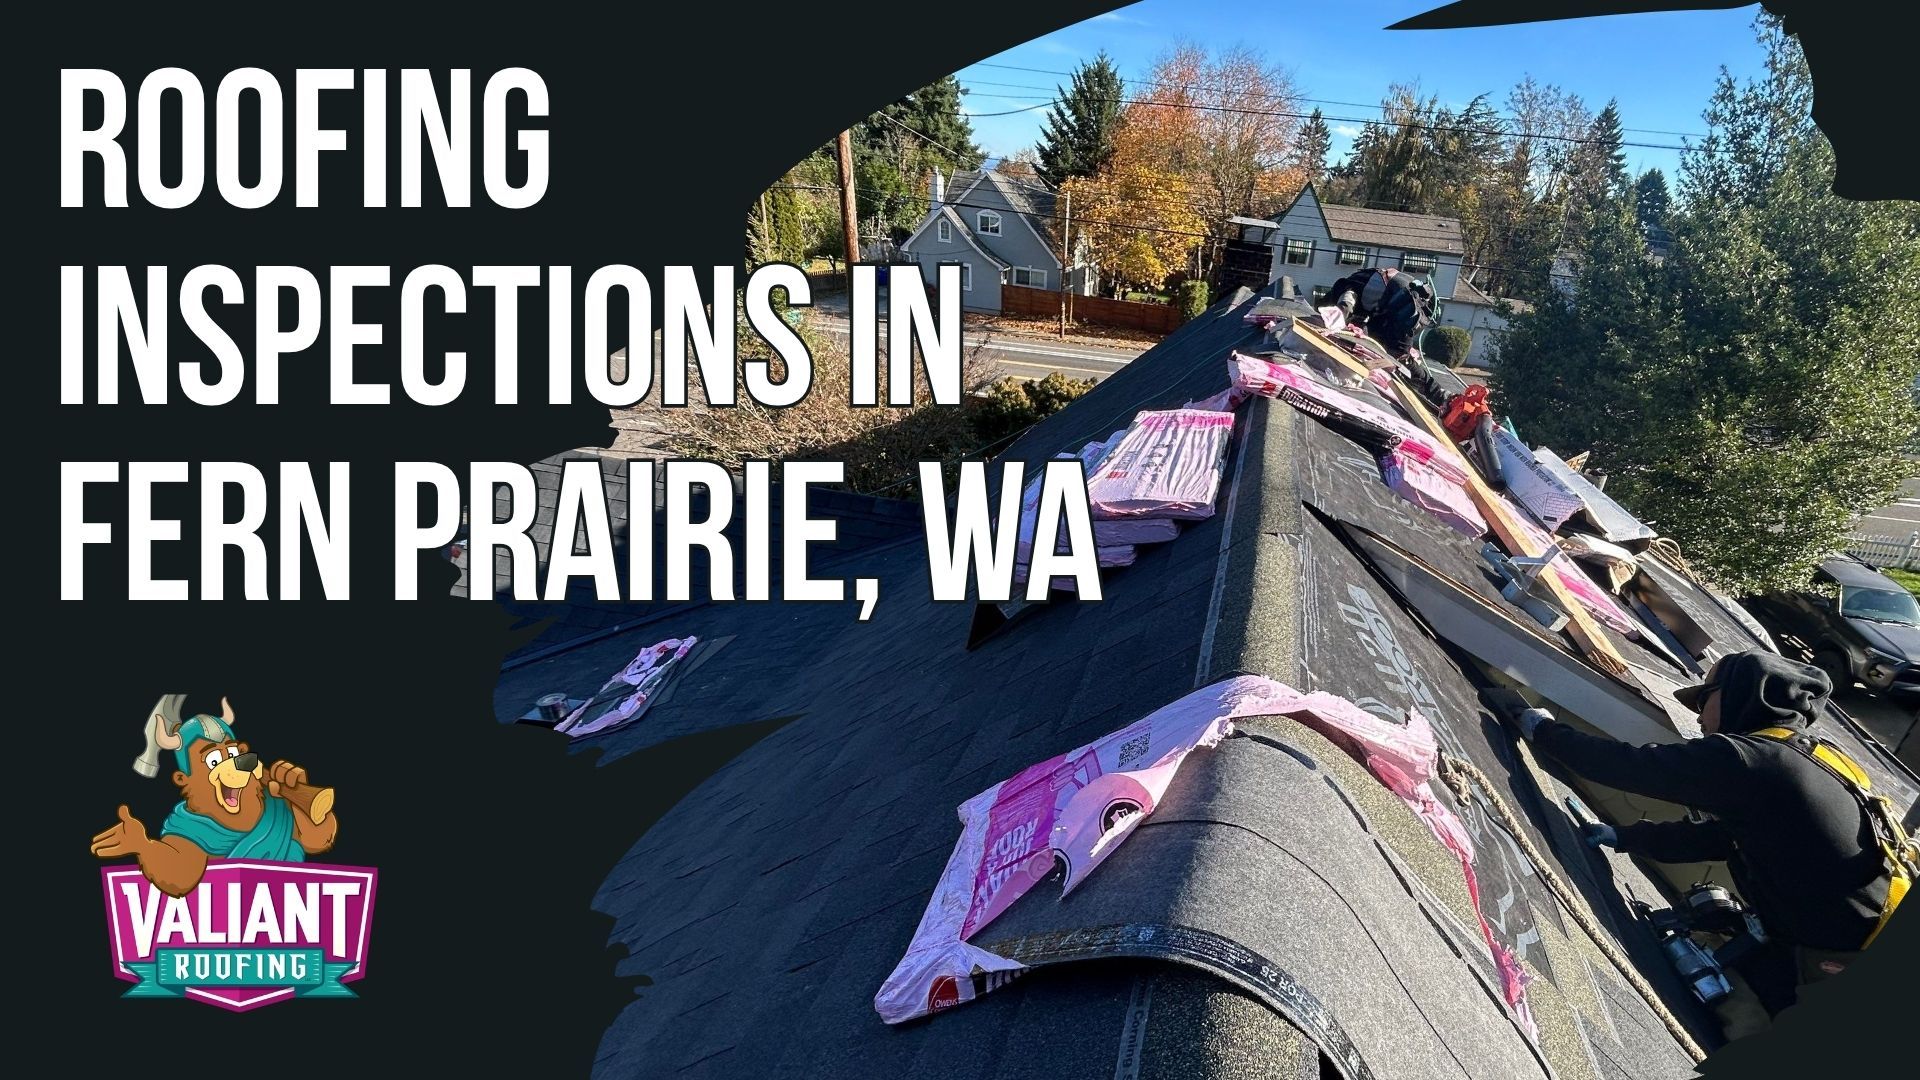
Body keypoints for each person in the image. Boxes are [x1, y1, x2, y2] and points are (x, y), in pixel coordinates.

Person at [1513, 649, 1893, 1021]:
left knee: (1736, 1018)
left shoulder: (1751, 760)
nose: (1697, 718)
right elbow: (1724, 837)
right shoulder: (1807, 757)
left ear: (1741, 694)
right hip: (1851, 941)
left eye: (1703, 700)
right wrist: (1625, 836)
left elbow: (1630, 767)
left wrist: (1542, 728)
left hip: (1838, 961)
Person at [1317, 266, 1436, 358]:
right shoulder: (1358, 292)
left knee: (1343, 318)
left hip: (1385, 307)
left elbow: (1346, 306)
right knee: (1341, 319)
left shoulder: (1353, 289)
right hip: (1380, 306)